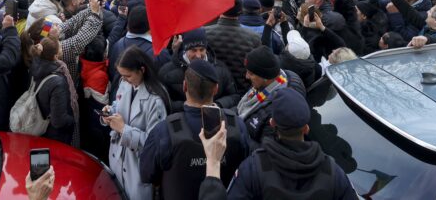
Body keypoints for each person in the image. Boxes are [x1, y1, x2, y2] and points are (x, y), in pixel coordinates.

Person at [197, 88, 357, 199]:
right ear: (306, 129)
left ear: (272, 123)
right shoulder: (333, 172)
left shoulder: (253, 168)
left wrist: (212, 163)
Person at [140, 59, 249, 200]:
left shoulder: (164, 130)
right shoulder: (236, 126)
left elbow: (146, 174)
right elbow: (246, 170)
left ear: (184, 86)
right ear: (216, 89)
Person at [103, 46, 169, 200]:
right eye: (122, 76)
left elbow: (156, 145)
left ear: (142, 70)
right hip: (117, 160)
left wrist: (124, 129)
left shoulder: (156, 100)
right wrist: (109, 112)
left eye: (128, 76)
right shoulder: (125, 83)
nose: (124, 79)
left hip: (137, 170)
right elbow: (118, 105)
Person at [237, 46, 305, 149]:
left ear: (265, 77)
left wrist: (235, 134)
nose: (246, 76)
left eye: (251, 73)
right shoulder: (275, 80)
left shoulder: (277, 110)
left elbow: (265, 151)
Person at [158, 28, 239, 112]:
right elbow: (163, 102)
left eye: (202, 50)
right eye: (193, 50)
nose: (198, 55)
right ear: (185, 49)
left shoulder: (220, 68)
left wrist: (218, 105)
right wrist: (187, 106)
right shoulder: (166, 72)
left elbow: (234, 96)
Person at [205, 0, 261, 93]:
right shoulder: (254, 38)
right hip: (242, 92)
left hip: (213, 91)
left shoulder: (205, 33)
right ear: (241, 11)